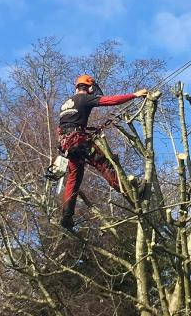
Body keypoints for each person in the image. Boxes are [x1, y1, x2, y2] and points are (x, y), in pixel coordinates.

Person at [57, 74, 148, 229]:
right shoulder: (84, 99)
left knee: (74, 179)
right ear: (89, 87)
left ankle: (66, 216)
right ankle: (130, 190)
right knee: (104, 164)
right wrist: (135, 95)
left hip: (66, 145)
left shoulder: (65, 104)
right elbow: (110, 101)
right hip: (79, 141)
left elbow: (61, 128)